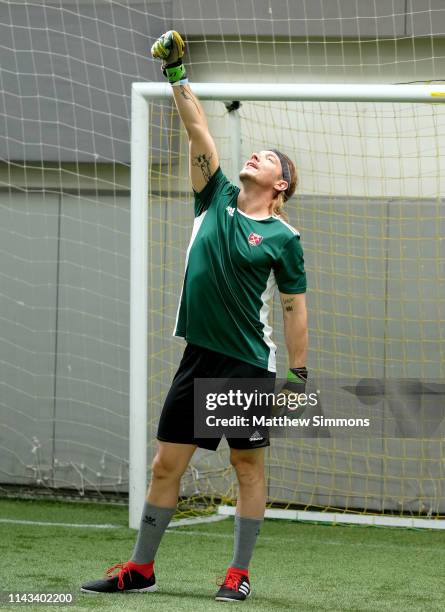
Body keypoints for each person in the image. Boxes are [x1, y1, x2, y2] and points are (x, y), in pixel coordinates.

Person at [81, 30, 308, 603]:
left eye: (268, 159)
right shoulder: (214, 196)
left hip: (249, 365)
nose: (254, 156)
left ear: (279, 185)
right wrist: (178, 73)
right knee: (165, 466)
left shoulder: (285, 237)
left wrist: (299, 376)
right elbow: (197, 129)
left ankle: (238, 574)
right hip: (198, 357)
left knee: (247, 468)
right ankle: (140, 568)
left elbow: (292, 308)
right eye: (254, 153)